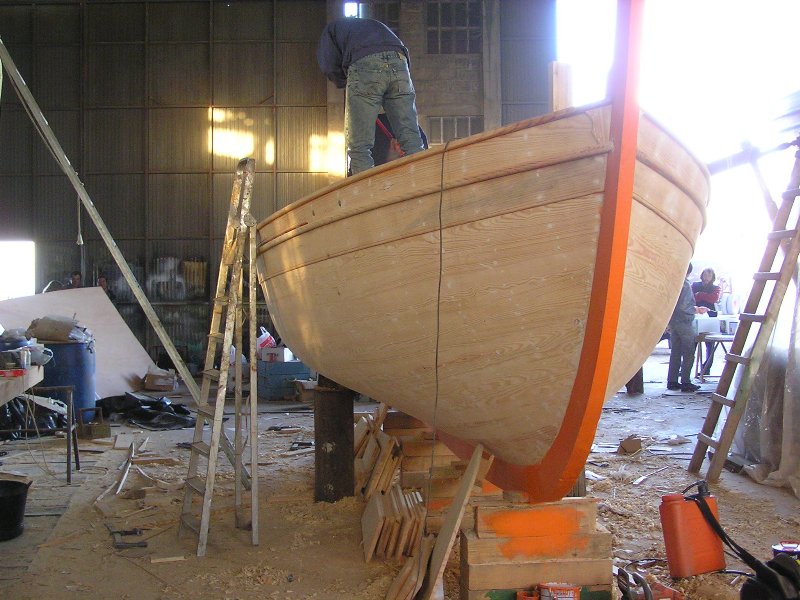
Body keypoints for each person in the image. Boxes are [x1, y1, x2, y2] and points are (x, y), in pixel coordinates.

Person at [317, 17, 425, 175]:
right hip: (400, 61)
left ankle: (364, 194)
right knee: (411, 138)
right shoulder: (372, 26)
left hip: (364, 61)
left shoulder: (331, 30)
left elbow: (328, 64)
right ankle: (422, 180)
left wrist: (345, 82)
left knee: (359, 146)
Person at [667, 263, 708, 392]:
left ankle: (672, 381)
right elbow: (684, 307)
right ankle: (686, 381)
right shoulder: (684, 285)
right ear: (688, 272)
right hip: (684, 322)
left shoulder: (673, 284)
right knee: (689, 353)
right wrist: (696, 310)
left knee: (676, 352)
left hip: (674, 321)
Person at [692, 267, 722, 375]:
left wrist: (700, 295)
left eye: (709, 275)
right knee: (693, 342)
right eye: (705, 275)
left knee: (710, 344)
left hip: (710, 317)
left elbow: (713, 298)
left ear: (713, 277)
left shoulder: (716, 288)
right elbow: (692, 298)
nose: (707, 277)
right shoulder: (695, 285)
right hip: (696, 316)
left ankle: (706, 368)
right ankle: (686, 368)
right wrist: (702, 297)